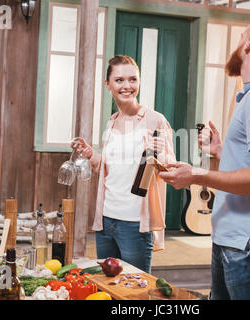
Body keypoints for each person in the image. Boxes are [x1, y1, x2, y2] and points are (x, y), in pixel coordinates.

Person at [159, 9, 250, 300]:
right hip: (232, 241)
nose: (240, 40)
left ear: (248, 44)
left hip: (249, 248)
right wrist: (223, 151)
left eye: (243, 34)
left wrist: (195, 174)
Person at [71, 55, 176, 273]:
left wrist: (161, 156)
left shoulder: (155, 120)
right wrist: (91, 154)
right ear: (108, 84)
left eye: (133, 79)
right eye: (119, 80)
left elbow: (171, 172)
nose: (127, 86)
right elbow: (109, 169)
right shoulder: (111, 122)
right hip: (106, 220)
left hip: (134, 223)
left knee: (133, 291)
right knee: (107, 287)